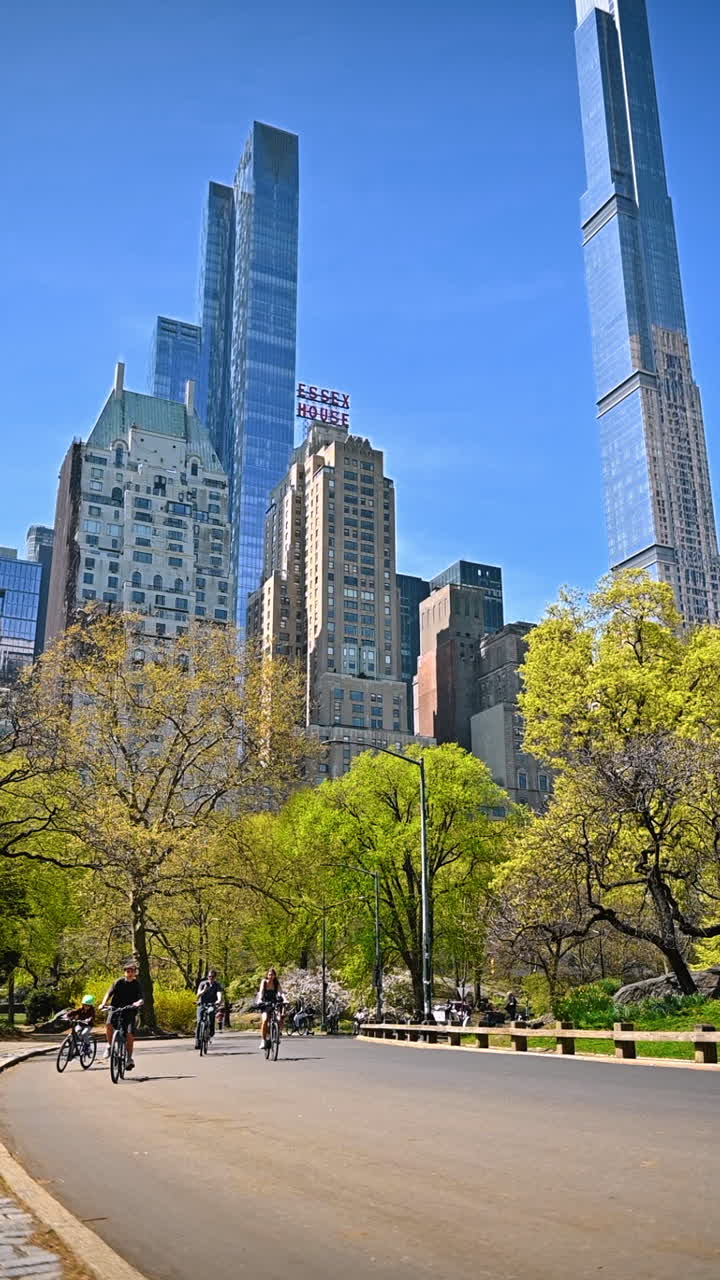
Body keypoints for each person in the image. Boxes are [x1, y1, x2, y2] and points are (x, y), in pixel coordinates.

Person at [101, 961, 144, 1071]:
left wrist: (137, 1003)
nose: (130, 973)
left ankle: (129, 1059)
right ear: (124, 972)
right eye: (128, 971)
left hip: (129, 1011)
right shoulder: (118, 982)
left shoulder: (137, 984)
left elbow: (141, 999)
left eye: (132, 971)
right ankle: (110, 1046)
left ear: (135, 973)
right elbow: (109, 993)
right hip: (115, 1009)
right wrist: (103, 1003)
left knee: (129, 1034)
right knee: (109, 1024)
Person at [256, 967, 283, 1051]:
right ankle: (263, 1040)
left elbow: (280, 992)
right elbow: (261, 992)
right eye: (269, 974)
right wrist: (260, 999)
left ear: (275, 976)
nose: (271, 976)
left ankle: (277, 1035)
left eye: (273, 975)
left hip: (274, 1003)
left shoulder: (276, 983)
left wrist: (283, 999)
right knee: (265, 1020)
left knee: (279, 1018)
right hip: (265, 1004)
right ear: (267, 975)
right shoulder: (264, 982)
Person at [196, 969, 223, 1043]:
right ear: (207, 977)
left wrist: (219, 1000)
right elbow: (198, 995)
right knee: (199, 1021)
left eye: (213, 977)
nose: (211, 978)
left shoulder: (217, 985)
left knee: (211, 1012)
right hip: (201, 1004)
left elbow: (219, 994)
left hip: (212, 1004)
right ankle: (198, 1041)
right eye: (209, 976)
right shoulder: (202, 984)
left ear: (215, 977)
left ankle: (211, 1031)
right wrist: (204, 990)